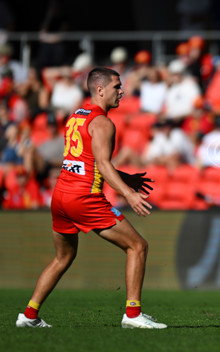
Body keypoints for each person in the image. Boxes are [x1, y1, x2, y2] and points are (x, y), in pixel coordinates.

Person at [15, 67, 166, 329]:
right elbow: (103, 166)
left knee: (63, 258)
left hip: (61, 196)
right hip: (84, 198)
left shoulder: (77, 116)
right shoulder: (104, 123)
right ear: (100, 90)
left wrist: (126, 178)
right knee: (137, 246)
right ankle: (132, 315)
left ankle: (29, 315)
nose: (122, 91)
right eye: (117, 86)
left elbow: (87, 161)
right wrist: (128, 194)